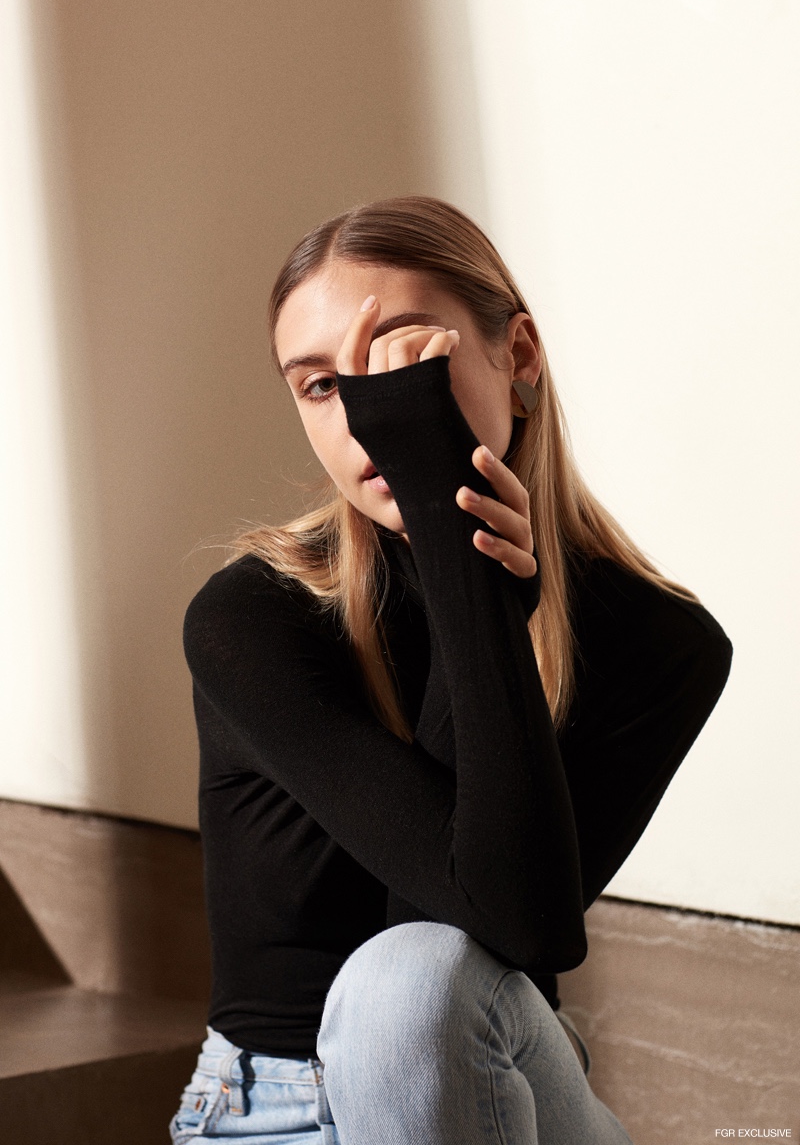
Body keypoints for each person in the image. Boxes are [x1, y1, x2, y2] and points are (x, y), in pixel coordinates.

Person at [170, 195, 732, 1145]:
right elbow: (421, 921)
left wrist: (460, 563)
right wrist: (465, 568)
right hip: (274, 1117)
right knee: (406, 977)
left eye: (404, 365)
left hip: (501, 1087)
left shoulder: (660, 642)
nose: (370, 417)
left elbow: (507, 926)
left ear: (517, 355)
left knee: (413, 985)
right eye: (320, 386)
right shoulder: (253, 616)